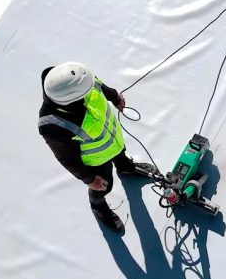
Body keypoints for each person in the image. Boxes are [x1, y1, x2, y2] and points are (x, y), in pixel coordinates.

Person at [38, 62, 154, 232]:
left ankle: (126, 168)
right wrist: (90, 180)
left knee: (121, 154)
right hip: (96, 160)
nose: (91, 86)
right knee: (104, 185)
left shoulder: (80, 78)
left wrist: (115, 97)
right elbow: (67, 158)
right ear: (73, 99)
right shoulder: (53, 124)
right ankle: (98, 205)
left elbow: (98, 84)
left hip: (112, 138)